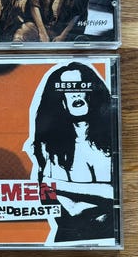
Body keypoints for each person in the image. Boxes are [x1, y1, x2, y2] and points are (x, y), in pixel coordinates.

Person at [28, 62, 114, 243]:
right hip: (68, 239)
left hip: (107, 236)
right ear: (59, 99)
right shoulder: (49, 146)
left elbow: (116, 194)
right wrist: (101, 192)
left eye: (80, 86)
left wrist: (59, 185)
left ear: (92, 93)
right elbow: (64, 204)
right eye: (66, 89)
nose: (75, 93)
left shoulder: (110, 139)